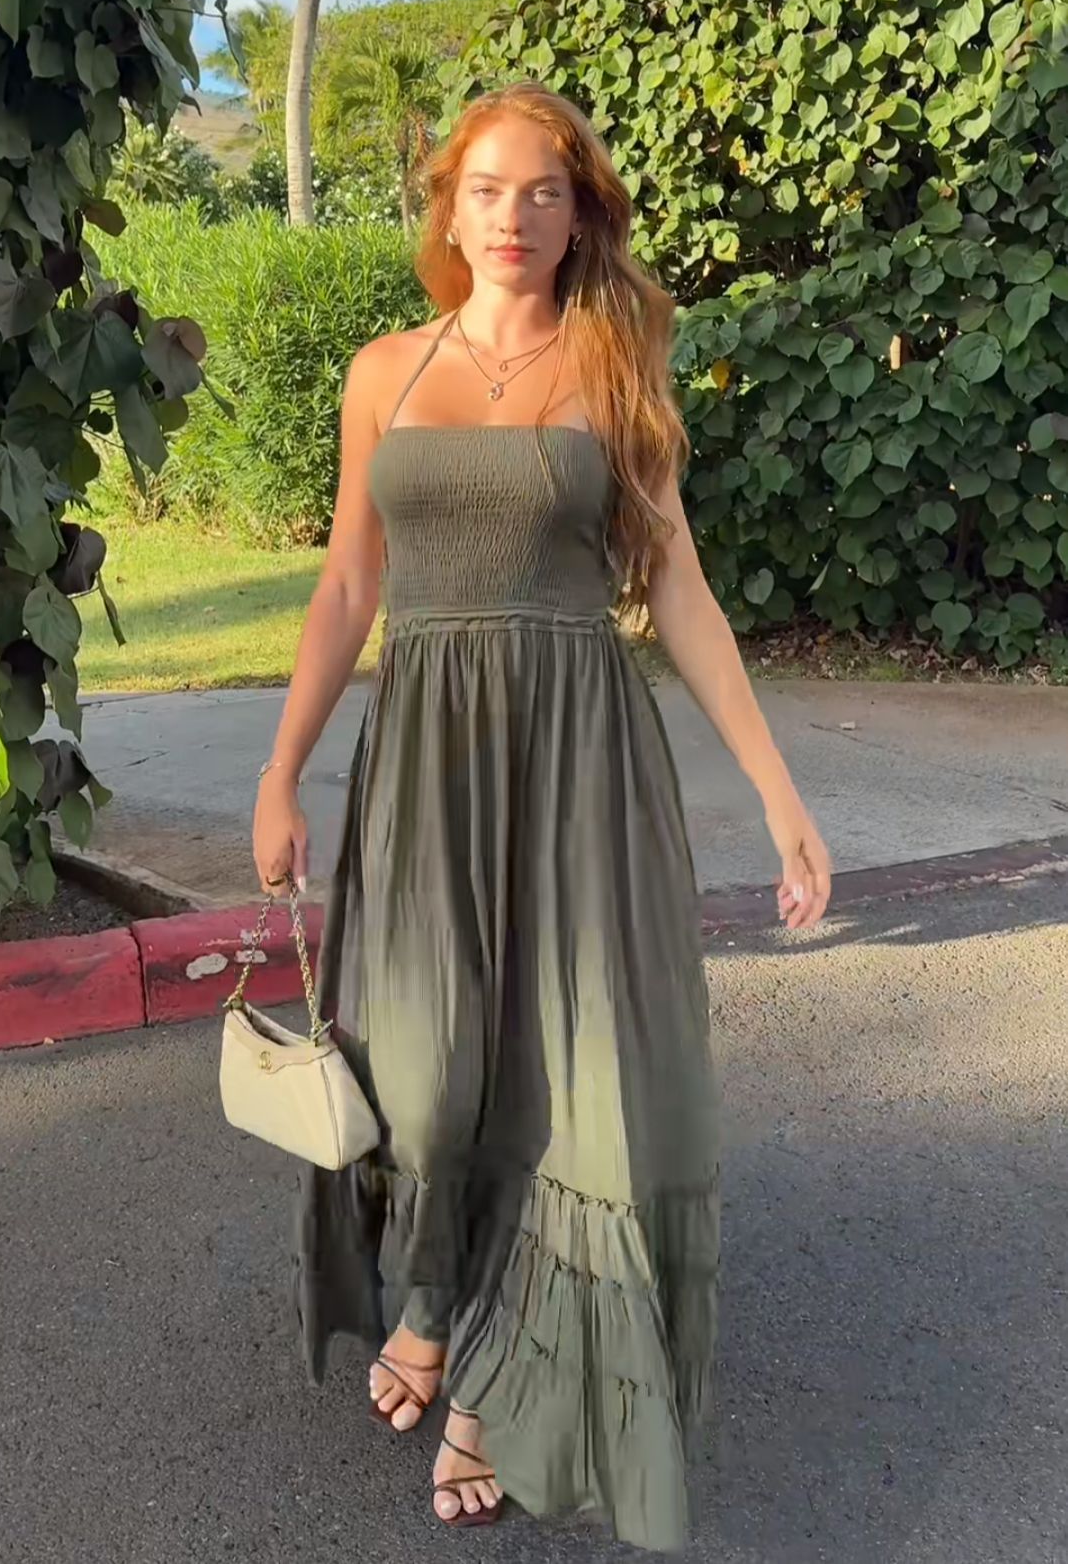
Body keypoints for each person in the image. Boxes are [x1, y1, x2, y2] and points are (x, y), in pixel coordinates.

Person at [251, 80, 832, 1550]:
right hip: (425, 761)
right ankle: (433, 1296)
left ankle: (481, 1376)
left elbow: (676, 586)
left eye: (545, 191)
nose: (513, 216)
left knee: (560, 1086)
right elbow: (348, 582)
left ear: (581, 217)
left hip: (580, 758)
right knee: (428, 1076)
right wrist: (280, 769)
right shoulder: (384, 371)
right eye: (487, 189)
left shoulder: (615, 363)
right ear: (447, 209)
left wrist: (779, 793)